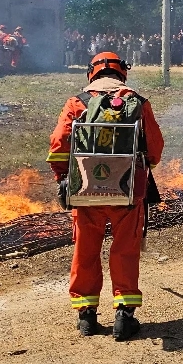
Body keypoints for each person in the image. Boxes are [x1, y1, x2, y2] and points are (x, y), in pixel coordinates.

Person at [47, 52, 164, 340]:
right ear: (123, 73)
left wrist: (63, 178)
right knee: (125, 249)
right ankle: (124, 315)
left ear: (92, 73)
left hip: (87, 188)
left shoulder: (78, 102)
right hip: (128, 190)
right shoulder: (137, 102)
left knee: (85, 249)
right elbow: (155, 151)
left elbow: (59, 145)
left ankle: (86, 316)